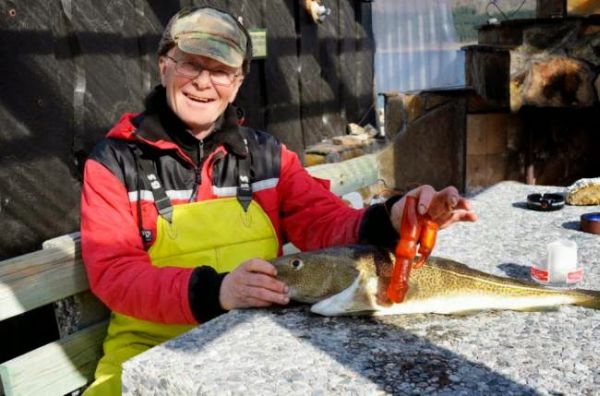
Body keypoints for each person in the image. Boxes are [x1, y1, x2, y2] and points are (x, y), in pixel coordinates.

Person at [80, 5, 477, 394]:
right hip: (149, 351)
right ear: (163, 65)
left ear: (238, 82)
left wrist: (394, 216)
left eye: (220, 70)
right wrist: (217, 291)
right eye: (190, 64)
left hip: (255, 344)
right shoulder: (115, 163)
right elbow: (114, 273)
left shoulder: (267, 156)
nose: (204, 82)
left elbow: (326, 223)